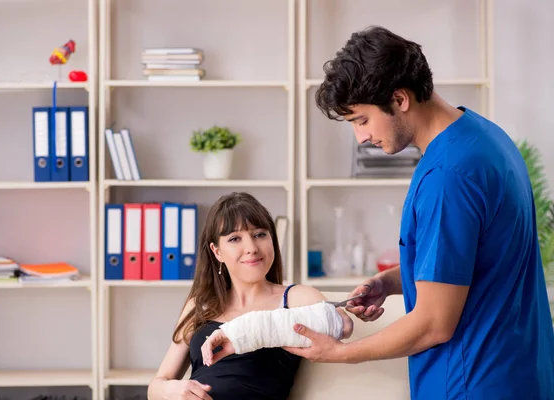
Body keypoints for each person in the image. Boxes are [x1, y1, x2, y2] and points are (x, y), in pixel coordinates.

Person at [284, 26, 554, 399]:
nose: (361, 138)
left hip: (471, 383)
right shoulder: (486, 138)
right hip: (521, 374)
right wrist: (391, 281)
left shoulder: (447, 176)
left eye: (361, 120)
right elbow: (474, 261)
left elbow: (433, 325)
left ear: (399, 99)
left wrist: (341, 353)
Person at [147, 192, 353, 400]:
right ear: (216, 251)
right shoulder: (200, 306)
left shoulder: (297, 298)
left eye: (260, 235)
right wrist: (171, 390)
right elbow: (157, 386)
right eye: (235, 238)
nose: (252, 248)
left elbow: (339, 324)